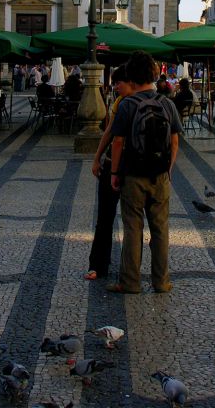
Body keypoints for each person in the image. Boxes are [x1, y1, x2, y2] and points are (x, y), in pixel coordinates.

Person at [107, 51, 182, 294]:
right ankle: (161, 281)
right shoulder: (167, 103)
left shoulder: (128, 105)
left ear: (131, 76)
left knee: (132, 227)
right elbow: (175, 141)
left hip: (133, 175)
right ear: (153, 74)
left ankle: (130, 282)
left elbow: (117, 142)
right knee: (160, 229)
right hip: (160, 176)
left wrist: (114, 172)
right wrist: (168, 168)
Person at [86, 65, 134, 280]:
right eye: (114, 83)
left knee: (131, 221)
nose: (115, 87)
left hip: (128, 167)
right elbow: (110, 130)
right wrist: (97, 157)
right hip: (115, 165)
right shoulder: (119, 102)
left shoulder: (136, 104)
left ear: (130, 82)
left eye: (118, 83)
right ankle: (98, 265)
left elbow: (118, 139)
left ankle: (128, 270)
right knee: (105, 217)